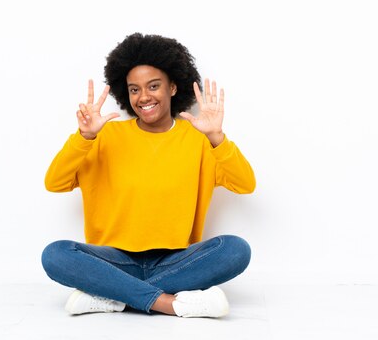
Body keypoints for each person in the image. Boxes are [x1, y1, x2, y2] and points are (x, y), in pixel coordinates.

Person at [41, 33, 255, 318]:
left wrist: (217, 138)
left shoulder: (198, 139)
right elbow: (54, 183)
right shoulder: (105, 136)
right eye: (134, 89)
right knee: (55, 254)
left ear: (173, 87)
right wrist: (84, 137)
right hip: (114, 260)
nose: (143, 97)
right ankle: (168, 303)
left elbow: (245, 184)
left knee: (235, 250)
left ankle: (111, 295)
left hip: (175, 260)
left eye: (153, 86)